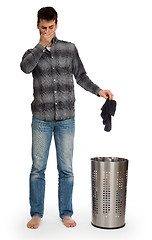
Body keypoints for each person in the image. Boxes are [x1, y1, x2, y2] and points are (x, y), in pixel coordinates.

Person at [20, 6, 113, 229]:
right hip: (41, 119)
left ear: (57, 25)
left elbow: (81, 76)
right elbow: (25, 68)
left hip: (65, 119)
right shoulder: (31, 53)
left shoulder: (69, 49)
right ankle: (36, 214)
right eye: (43, 28)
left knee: (66, 169)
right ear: (37, 26)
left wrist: (99, 91)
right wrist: (41, 46)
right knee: (37, 169)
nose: (47, 32)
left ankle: (66, 213)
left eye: (51, 27)